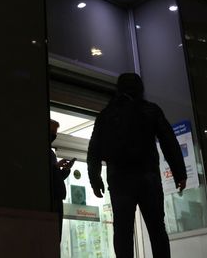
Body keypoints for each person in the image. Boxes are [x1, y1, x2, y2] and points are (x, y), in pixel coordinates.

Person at [87, 73, 187, 258]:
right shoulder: (150, 110)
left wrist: (95, 178)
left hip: (119, 180)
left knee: (123, 231)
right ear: (140, 88)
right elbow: (169, 142)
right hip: (147, 177)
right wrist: (179, 173)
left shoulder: (106, 115)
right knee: (157, 229)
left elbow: (94, 149)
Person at [50, 119, 75, 240]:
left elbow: (55, 177)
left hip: (57, 196)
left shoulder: (51, 153)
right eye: (53, 131)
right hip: (52, 198)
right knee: (53, 235)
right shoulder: (43, 152)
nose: (54, 135)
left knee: (56, 235)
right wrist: (56, 167)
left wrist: (65, 170)